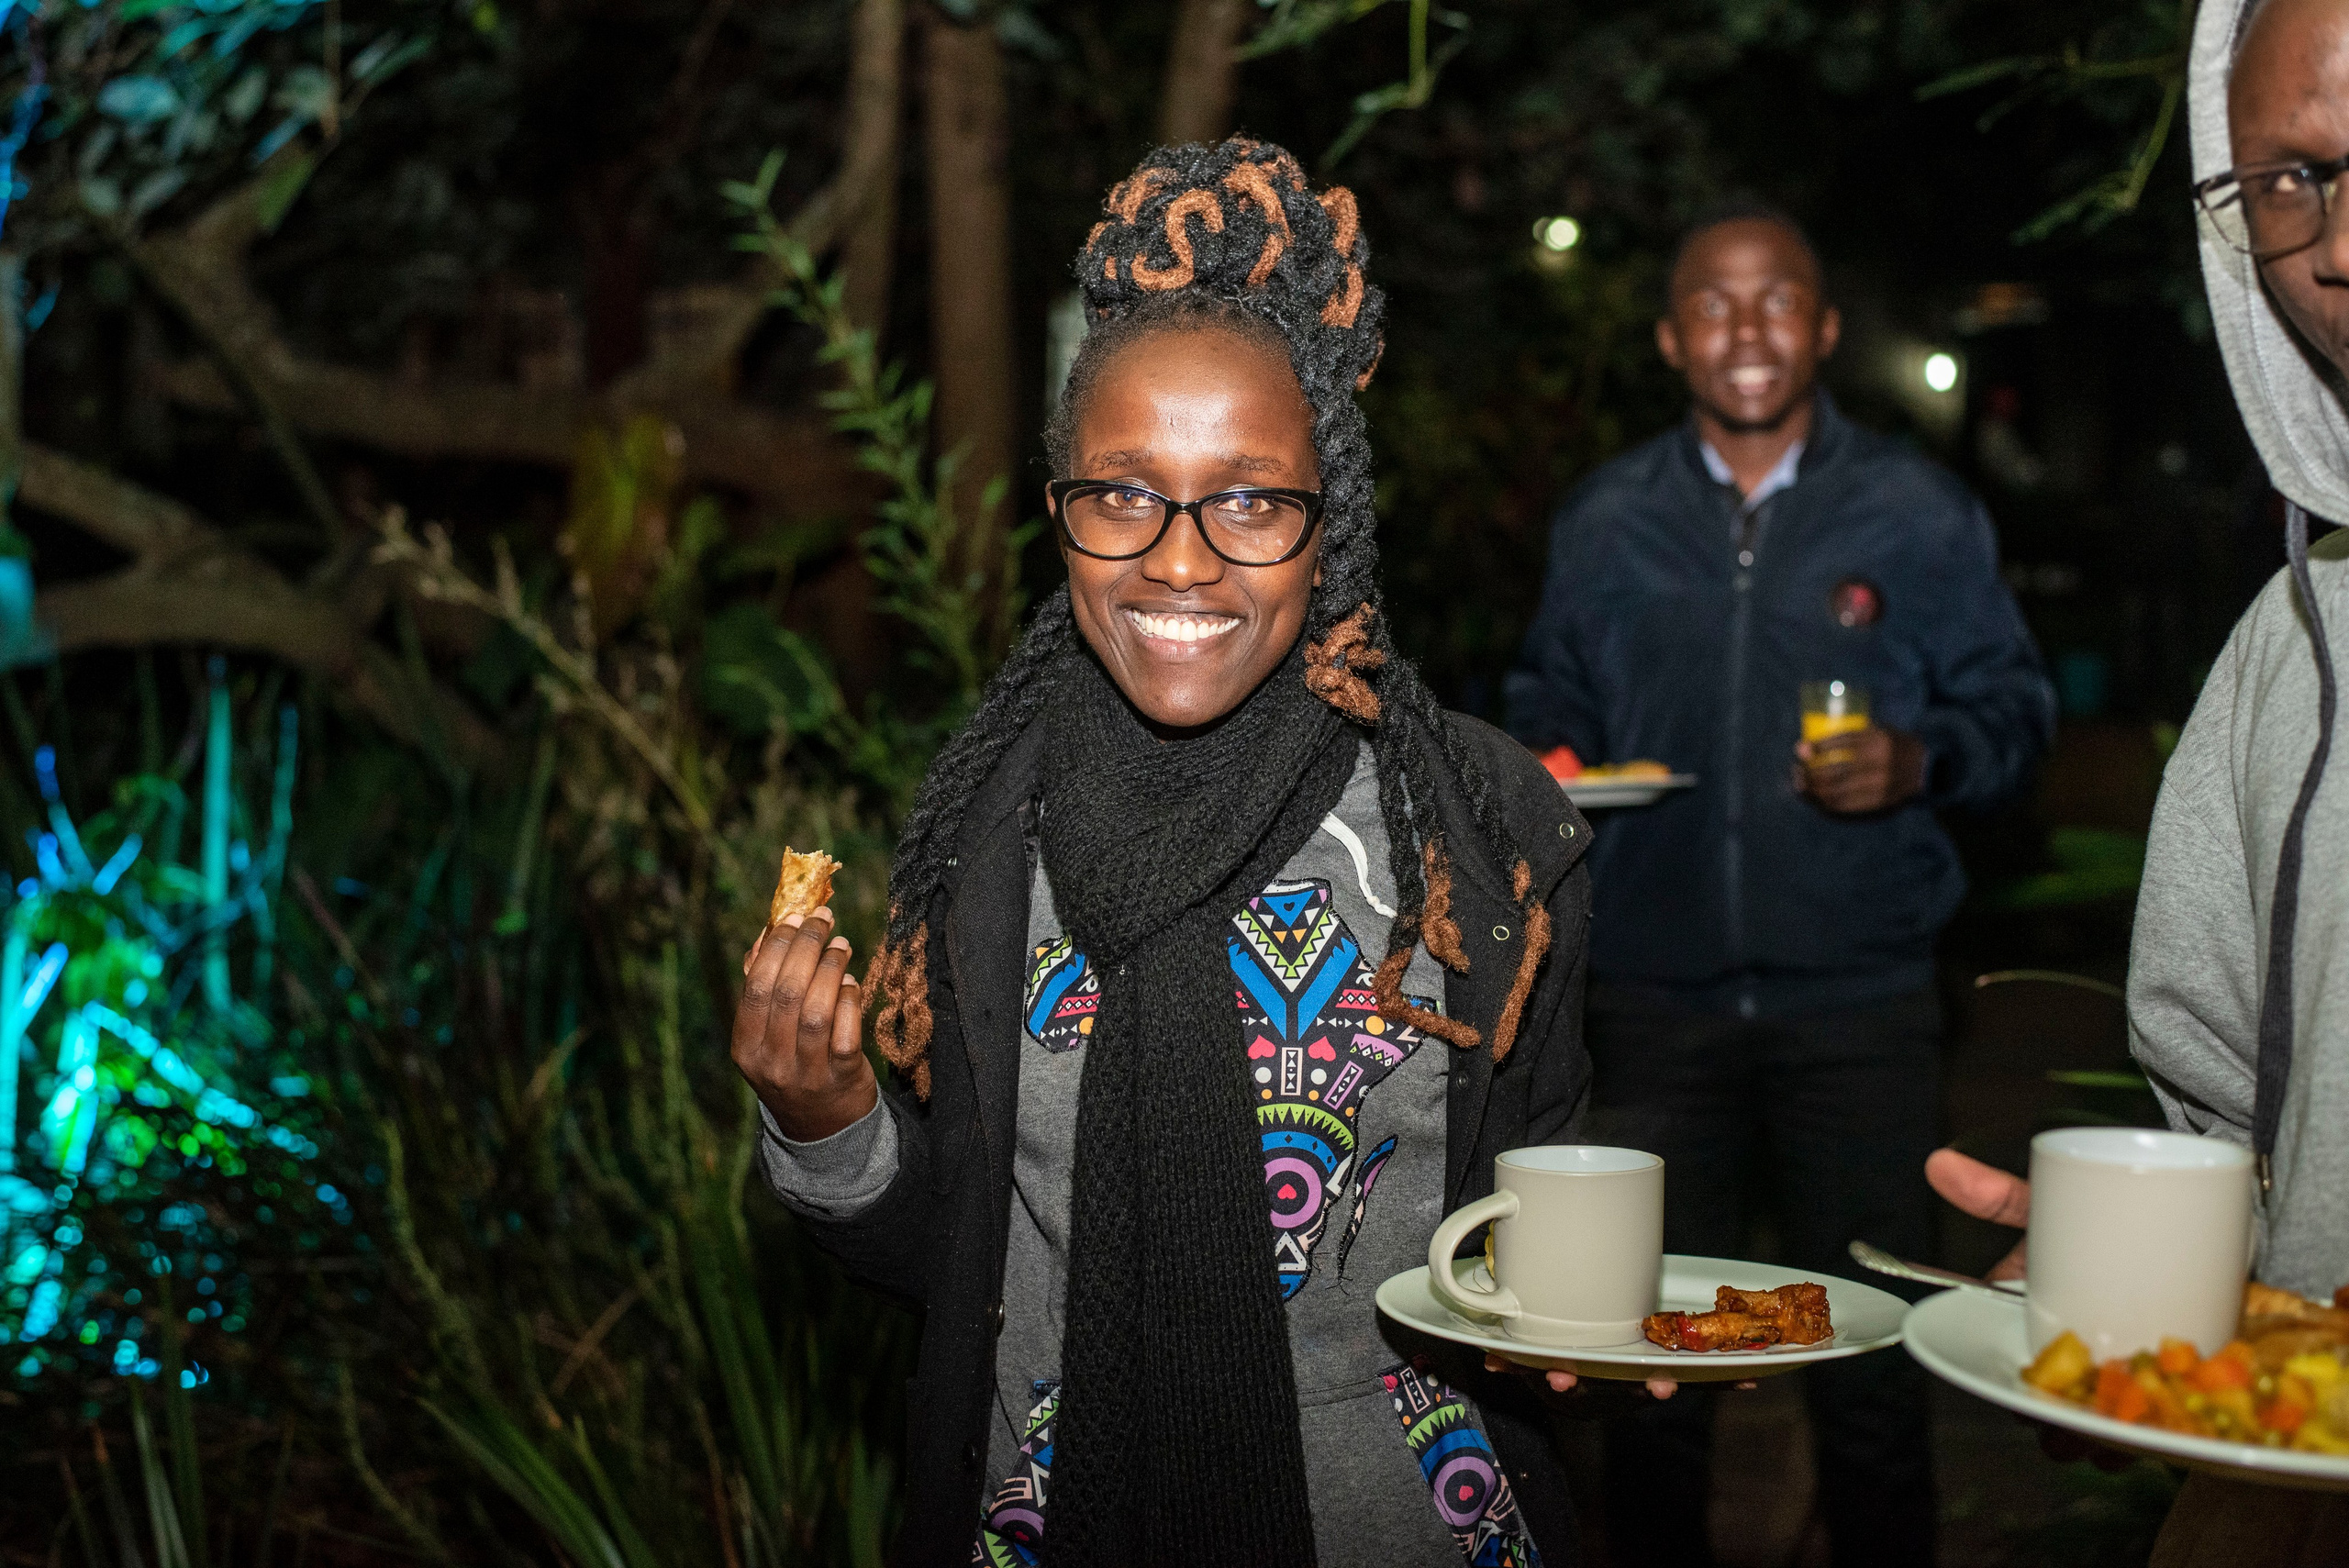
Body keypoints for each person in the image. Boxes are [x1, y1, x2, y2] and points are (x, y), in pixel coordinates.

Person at [731, 138, 1598, 1568]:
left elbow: (1550, 1190)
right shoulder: (985, 837)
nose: (1180, 560)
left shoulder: (1477, 835)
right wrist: (826, 1127)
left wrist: (1572, 1317)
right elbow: (957, 1267)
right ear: (1061, 510)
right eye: (1123, 493)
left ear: (1333, 529)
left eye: (1251, 498)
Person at [1504, 203, 2055, 1566]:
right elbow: (1541, 704)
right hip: (1648, 1006)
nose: (1745, 328)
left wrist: (1923, 757)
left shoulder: (1915, 511)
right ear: (1668, 338)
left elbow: (2018, 713)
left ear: (1820, 329)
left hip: (1859, 1009)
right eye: (1713, 302)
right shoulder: (1609, 519)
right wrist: (1544, 763)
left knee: (1875, 1369)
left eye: (1775, 302)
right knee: (1646, 1367)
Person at [1931, 0, 2349, 1561]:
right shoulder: (2286, 651)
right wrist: (2166, 1256)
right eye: (2289, 180)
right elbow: (2247, 1102)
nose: (2337, 242)